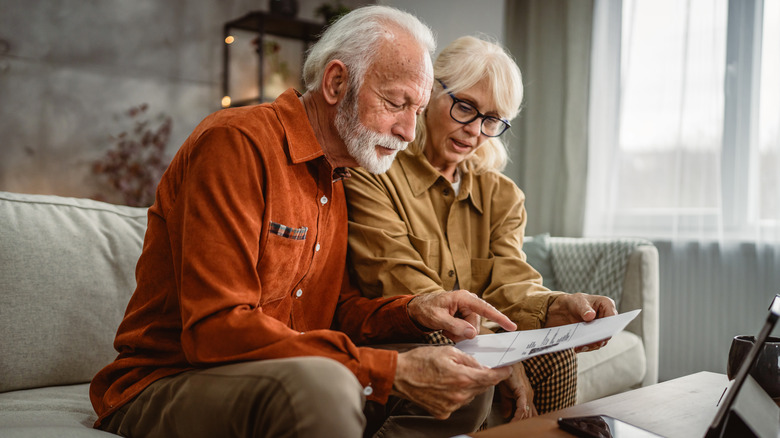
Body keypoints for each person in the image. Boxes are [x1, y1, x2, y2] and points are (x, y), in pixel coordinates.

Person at [89, 8, 520, 438]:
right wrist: (391, 368)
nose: (409, 131)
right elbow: (214, 332)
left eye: (418, 109)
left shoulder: (338, 173)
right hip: (167, 380)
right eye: (395, 102)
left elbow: (334, 312)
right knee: (323, 386)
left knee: (464, 380)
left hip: (288, 375)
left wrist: (414, 311)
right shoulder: (236, 144)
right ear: (336, 83)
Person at [343, 35, 618, 424]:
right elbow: (400, 282)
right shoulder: (375, 171)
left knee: (555, 358)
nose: (475, 130)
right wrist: (494, 349)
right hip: (409, 329)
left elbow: (510, 283)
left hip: (473, 332)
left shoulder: (502, 195)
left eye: (491, 120)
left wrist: (559, 305)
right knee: (461, 351)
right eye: (465, 107)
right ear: (427, 93)